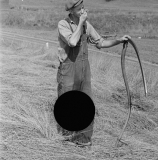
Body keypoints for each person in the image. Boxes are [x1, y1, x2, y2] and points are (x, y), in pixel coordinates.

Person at [56, 0, 131, 147]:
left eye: (83, 8)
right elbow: (72, 42)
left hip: (84, 68)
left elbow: (100, 43)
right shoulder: (63, 24)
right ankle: (68, 136)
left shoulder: (86, 25)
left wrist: (118, 40)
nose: (83, 11)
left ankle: (84, 138)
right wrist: (81, 23)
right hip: (68, 69)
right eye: (79, 9)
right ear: (71, 11)